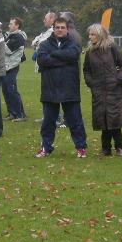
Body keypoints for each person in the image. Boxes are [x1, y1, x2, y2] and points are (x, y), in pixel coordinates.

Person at [36, 16, 88, 158]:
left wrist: (53, 56)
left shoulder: (73, 43)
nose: (59, 30)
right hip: (50, 88)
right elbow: (41, 60)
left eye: (62, 27)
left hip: (69, 88)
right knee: (48, 122)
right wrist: (62, 60)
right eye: (57, 27)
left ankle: (81, 147)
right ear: (53, 29)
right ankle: (46, 147)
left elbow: (72, 55)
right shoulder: (45, 44)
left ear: (67, 29)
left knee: (75, 121)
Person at [83, 24, 122, 156]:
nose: (90, 37)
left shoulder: (112, 47)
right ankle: (106, 148)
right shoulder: (90, 51)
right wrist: (90, 83)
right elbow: (86, 70)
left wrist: (118, 80)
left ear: (100, 35)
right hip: (98, 90)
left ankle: (119, 147)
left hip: (114, 90)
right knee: (102, 119)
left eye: (92, 34)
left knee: (115, 119)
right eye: (90, 34)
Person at [2, 17, 28, 121]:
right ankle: (12, 113)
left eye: (11, 24)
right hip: (6, 66)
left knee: (11, 90)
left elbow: (8, 50)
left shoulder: (18, 37)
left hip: (12, 66)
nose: (9, 25)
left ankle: (20, 114)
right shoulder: (11, 35)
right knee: (6, 89)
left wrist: (0, 43)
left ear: (17, 26)